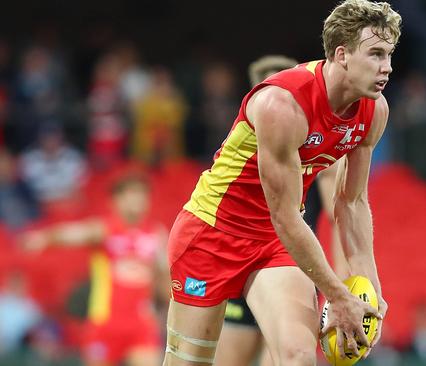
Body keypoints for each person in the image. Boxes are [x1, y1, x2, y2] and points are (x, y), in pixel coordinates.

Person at [164, 1, 401, 365]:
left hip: (274, 243)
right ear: (342, 54)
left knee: (298, 356)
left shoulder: (374, 110)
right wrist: (337, 296)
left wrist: (369, 293)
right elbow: (286, 215)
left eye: (389, 55)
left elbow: (351, 203)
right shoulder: (282, 104)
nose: (386, 67)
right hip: (211, 234)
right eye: (376, 54)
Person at [215, 55, 349, 366]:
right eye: (270, 89)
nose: (281, 96)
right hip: (241, 260)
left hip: (290, 261)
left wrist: (342, 287)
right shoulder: (238, 146)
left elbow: (339, 213)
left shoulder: (318, 147)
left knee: (288, 358)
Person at [22, 174, 169, 366]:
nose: (138, 200)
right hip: (105, 322)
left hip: (142, 323)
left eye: (142, 195)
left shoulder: (156, 233)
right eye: (131, 194)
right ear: (116, 200)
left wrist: (165, 310)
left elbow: (166, 276)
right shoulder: (104, 230)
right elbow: (71, 234)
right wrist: (44, 238)